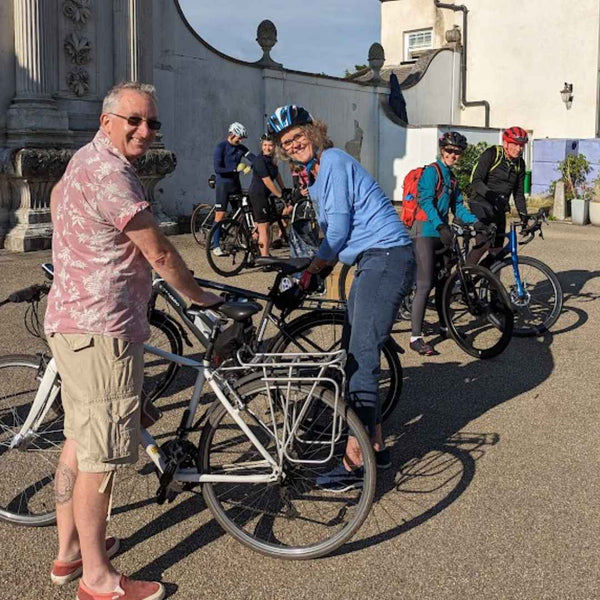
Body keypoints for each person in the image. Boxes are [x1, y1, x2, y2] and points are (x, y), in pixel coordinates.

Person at [45, 81, 222, 600]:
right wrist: (198, 297)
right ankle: (97, 581)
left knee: (79, 441)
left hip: (73, 322)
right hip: (101, 330)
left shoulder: (85, 159)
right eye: (134, 120)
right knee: (101, 458)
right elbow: (161, 253)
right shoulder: (113, 175)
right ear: (108, 121)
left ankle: (69, 555)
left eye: (152, 123)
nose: (145, 130)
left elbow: (58, 196)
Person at [267, 105, 415, 490]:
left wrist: (311, 272)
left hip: (384, 255)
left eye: (298, 135)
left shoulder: (332, 159)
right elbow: (333, 232)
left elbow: (339, 231)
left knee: (360, 358)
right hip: (373, 259)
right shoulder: (317, 177)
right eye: (287, 142)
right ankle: (376, 448)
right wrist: (313, 268)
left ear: (313, 132)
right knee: (356, 351)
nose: (294, 143)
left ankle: (355, 464)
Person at [409, 131, 486, 356]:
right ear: (443, 150)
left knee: (444, 283)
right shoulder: (432, 172)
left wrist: (477, 222)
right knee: (424, 284)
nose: (454, 155)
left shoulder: (452, 178)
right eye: (450, 151)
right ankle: (415, 337)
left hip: (443, 233)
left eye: (458, 152)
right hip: (425, 231)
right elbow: (425, 201)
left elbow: (458, 207)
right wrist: (441, 226)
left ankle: (445, 327)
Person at [466, 126, 529, 266]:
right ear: (506, 143)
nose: (518, 149)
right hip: (481, 204)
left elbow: (518, 194)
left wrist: (524, 218)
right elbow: (475, 180)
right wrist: (494, 197)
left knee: (497, 252)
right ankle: (462, 279)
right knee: (484, 243)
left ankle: (491, 284)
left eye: (521, 146)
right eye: (515, 144)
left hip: (499, 208)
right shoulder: (492, 154)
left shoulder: (520, 164)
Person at [212, 121, 255, 256]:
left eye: (242, 138)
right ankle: (215, 245)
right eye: (239, 137)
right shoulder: (221, 147)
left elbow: (254, 158)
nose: (240, 140)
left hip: (235, 184)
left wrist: (254, 166)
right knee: (220, 215)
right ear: (232, 134)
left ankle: (239, 239)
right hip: (223, 184)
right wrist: (235, 169)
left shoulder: (241, 148)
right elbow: (218, 168)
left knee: (240, 213)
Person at [248, 134, 287, 257]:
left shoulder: (272, 160)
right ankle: (265, 257)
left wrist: (284, 189)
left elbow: (276, 175)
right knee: (264, 227)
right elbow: (267, 181)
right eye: (265, 145)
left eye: (270, 145)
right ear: (261, 146)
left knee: (264, 225)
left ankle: (258, 250)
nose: (267, 148)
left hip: (265, 196)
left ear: (274, 146)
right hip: (258, 195)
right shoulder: (259, 161)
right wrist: (280, 195)